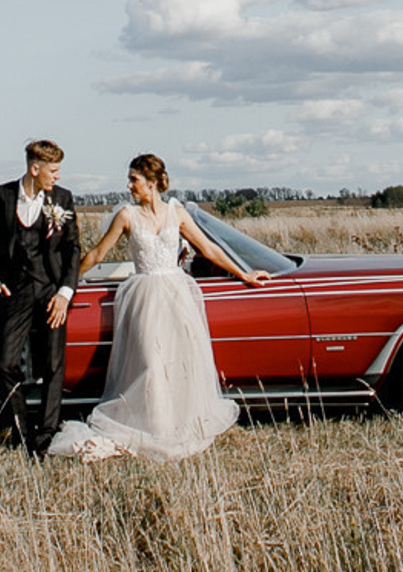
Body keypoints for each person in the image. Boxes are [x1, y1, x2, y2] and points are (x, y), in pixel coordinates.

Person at [47, 153, 268, 464]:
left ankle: (181, 424)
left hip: (177, 293)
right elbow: (97, 254)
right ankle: (156, 427)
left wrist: (243, 273)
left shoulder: (176, 211)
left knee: (180, 359)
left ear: (152, 183)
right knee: (152, 362)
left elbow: (208, 248)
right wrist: (67, 286)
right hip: (145, 295)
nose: (129, 185)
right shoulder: (126, 215)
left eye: (134, 180)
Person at [0, 138, 81, 453]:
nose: (57, 176)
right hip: (15, 290)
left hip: (51, 291)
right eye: (53, 170)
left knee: (52, 365)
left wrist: (65, 293)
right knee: (5, 363)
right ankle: (23, 429)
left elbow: (72, 249)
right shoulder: (1, 196)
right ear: (35, 169)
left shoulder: (63, 198)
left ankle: (46, 436)